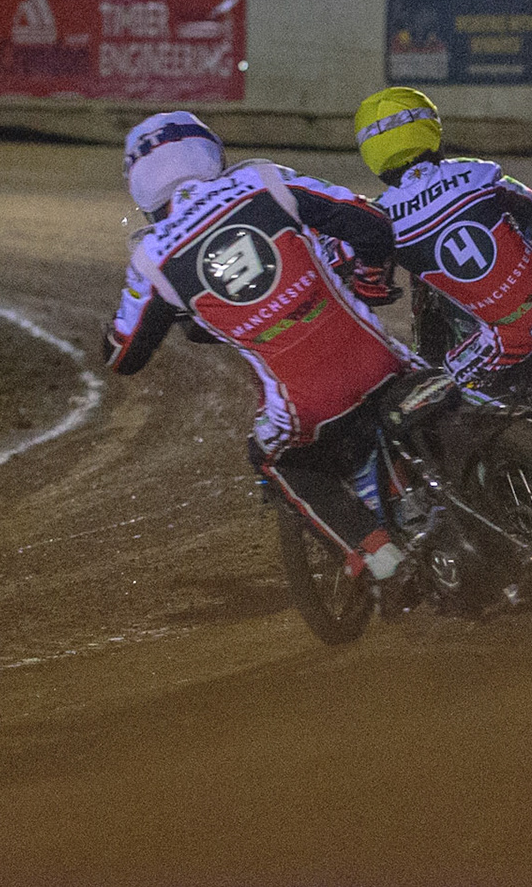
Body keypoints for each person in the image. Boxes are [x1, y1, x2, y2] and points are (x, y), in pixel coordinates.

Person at [105, 111, 454, 585]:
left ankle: (375, 553)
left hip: (306, 404)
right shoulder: (261, 179)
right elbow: (371, 223)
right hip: (378, 359)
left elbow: (124, 356)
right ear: (209, 152)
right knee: (441, 387)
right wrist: (371, 280)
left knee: (273, 457)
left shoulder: (152, 256)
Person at [353, 88, 532, 383]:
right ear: (430, 128)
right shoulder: (479, 171)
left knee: (436, 386)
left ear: (371, 152)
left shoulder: (380, 217)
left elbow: (372, 289)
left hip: (509, 336)